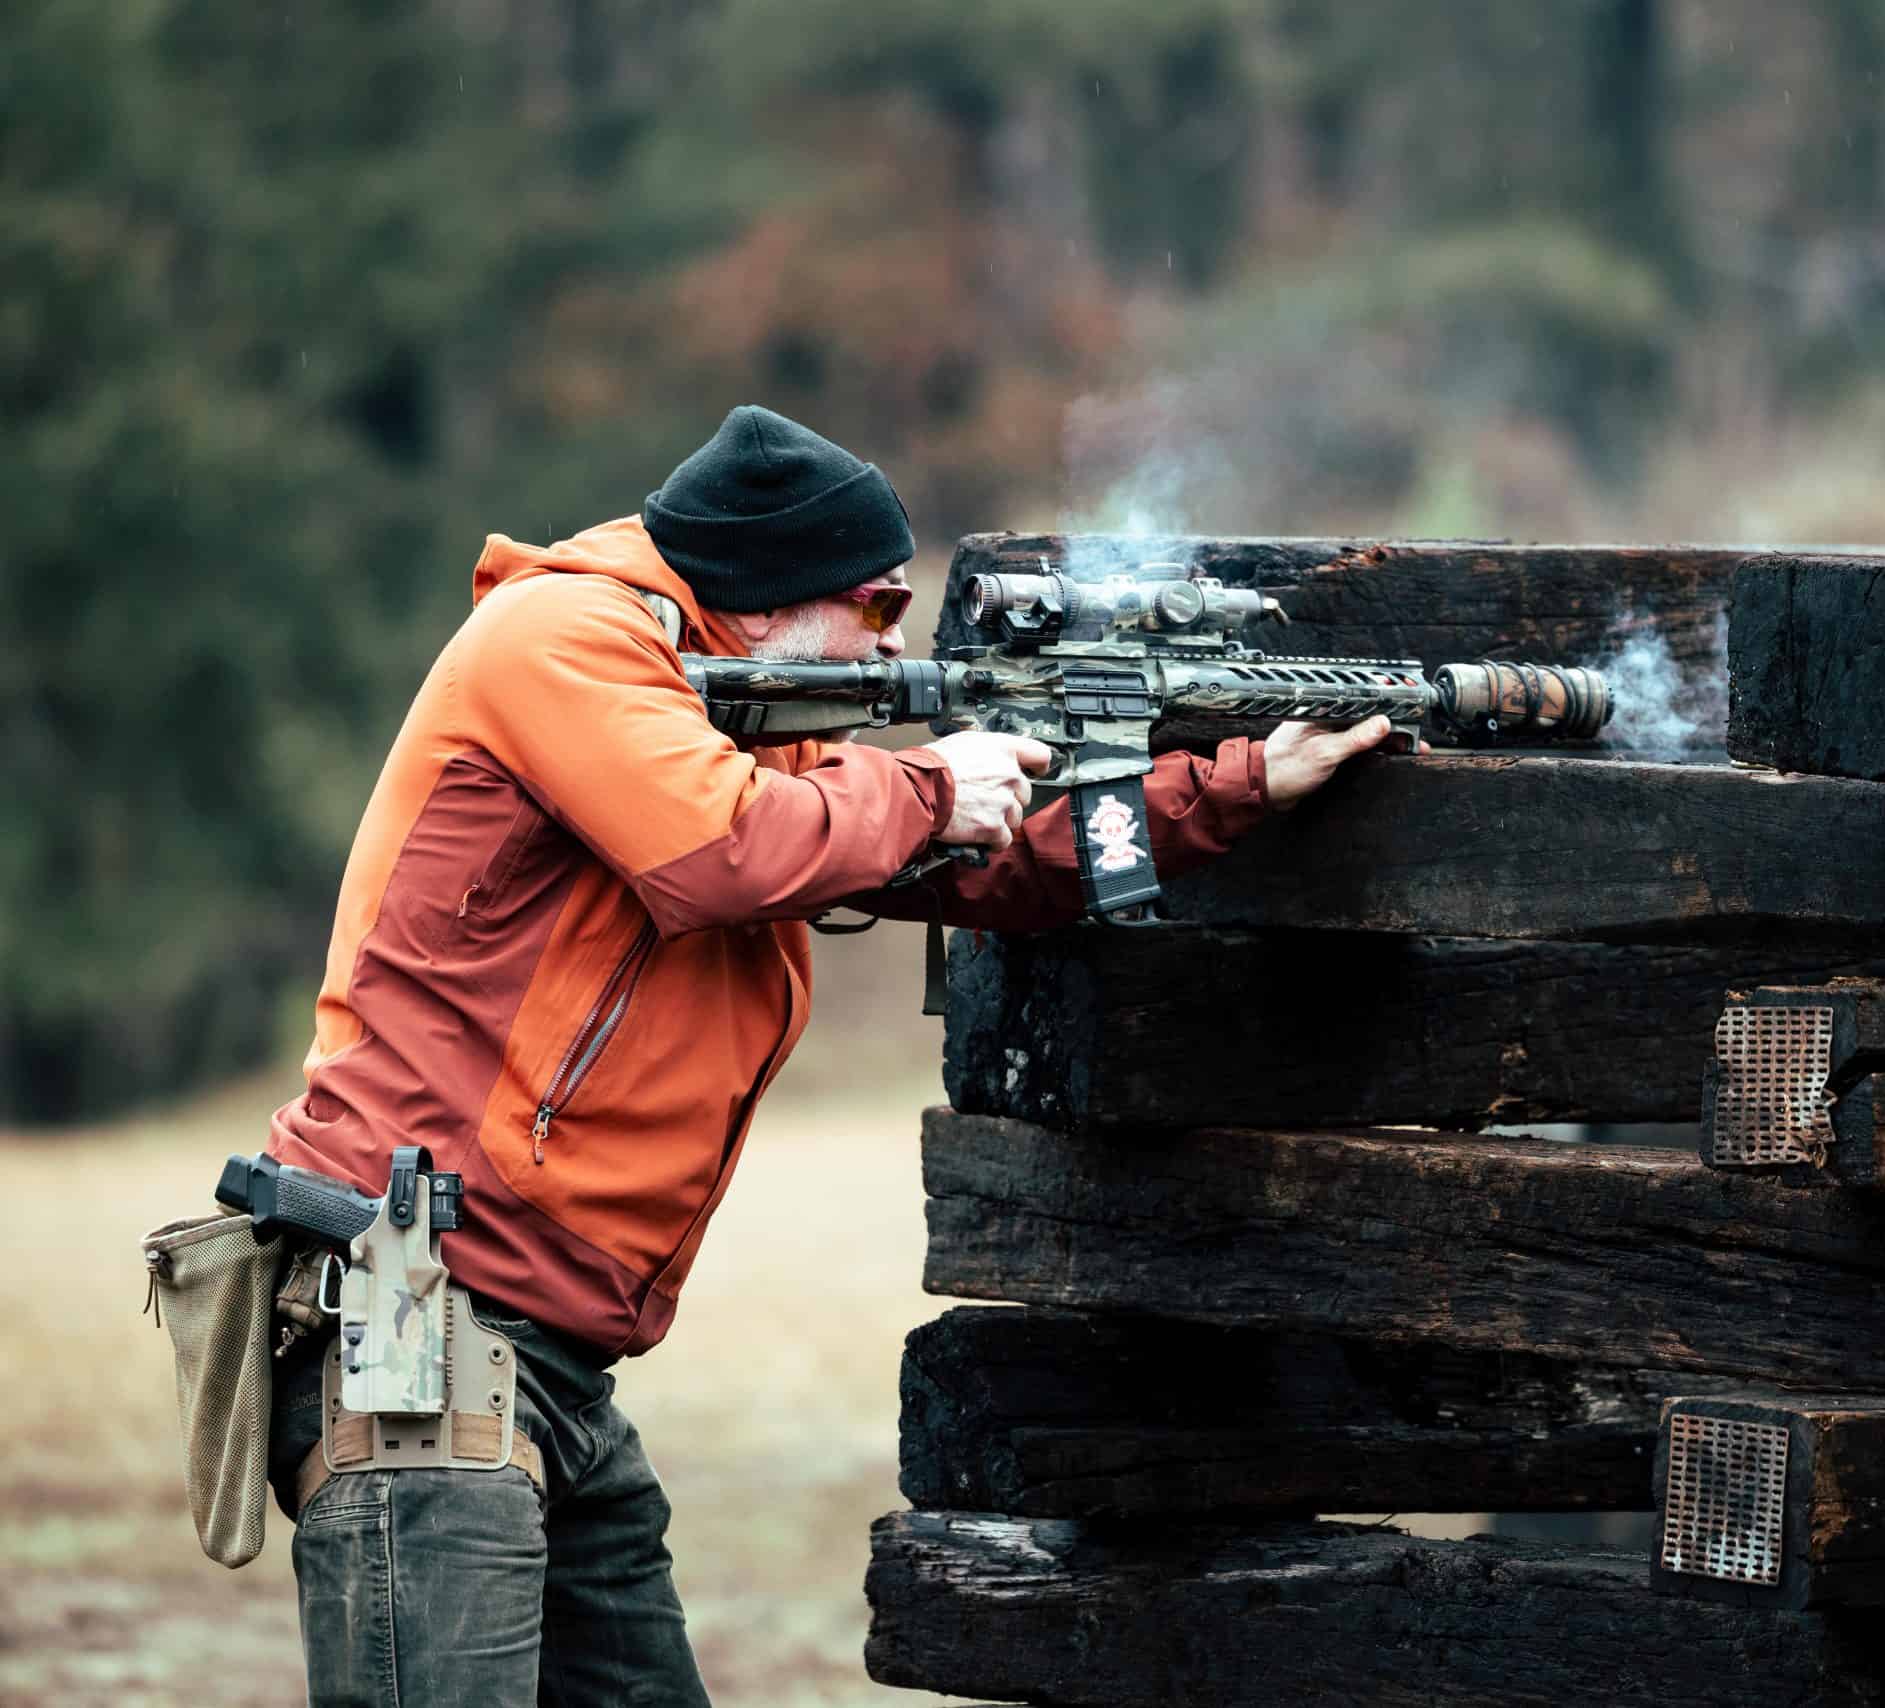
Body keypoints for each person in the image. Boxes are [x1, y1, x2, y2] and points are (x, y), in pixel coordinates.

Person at [260, 404, 1404, 1704]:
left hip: (544, 1361)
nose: (895, 640)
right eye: (875, 604)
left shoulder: (747, 730)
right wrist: (926, 785)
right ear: (765, 599)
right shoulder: (559, 638)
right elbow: (722, 854)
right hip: (419, 1320)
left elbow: (999, 871)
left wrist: (1240, 786)